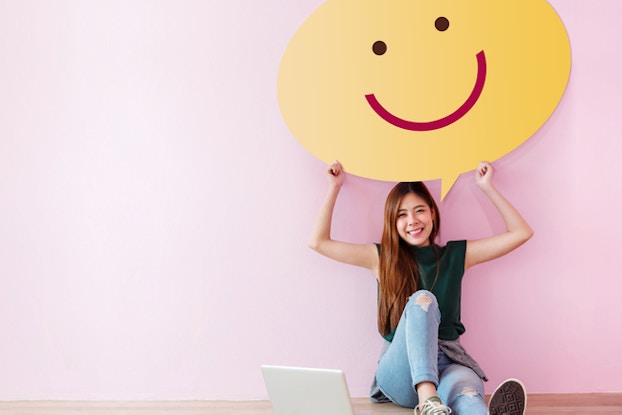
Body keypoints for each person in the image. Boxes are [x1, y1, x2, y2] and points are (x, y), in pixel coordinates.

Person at [308, 160, 533, 415]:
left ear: (433, 213)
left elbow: (520, 232)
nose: (412, 221)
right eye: (402, 215)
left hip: (449, 362)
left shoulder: (456, 255)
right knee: (422, 300)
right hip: (400, 372)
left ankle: (463, 409)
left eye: (419, 211)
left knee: (468, 396)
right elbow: (318, 242)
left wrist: (487, 186)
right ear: (392, 223)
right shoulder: (381, 259)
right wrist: (333, 187)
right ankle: (429, 400)